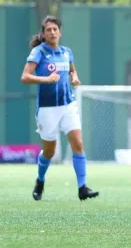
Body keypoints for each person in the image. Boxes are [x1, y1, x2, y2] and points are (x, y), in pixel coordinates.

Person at [21, 16, 99, 201]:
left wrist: (74, 77)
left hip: (68, 105)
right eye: (48, 29)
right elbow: (25, 77)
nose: (52, 32)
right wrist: (46, 79)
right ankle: (40, 181)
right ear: (43, 33)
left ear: (60, 32)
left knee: (78, 143)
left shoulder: (66, 52)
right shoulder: (38, 52)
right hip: (47, 109)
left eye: (55, 29)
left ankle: (82, 188)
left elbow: (72, 70)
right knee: (50, 151)